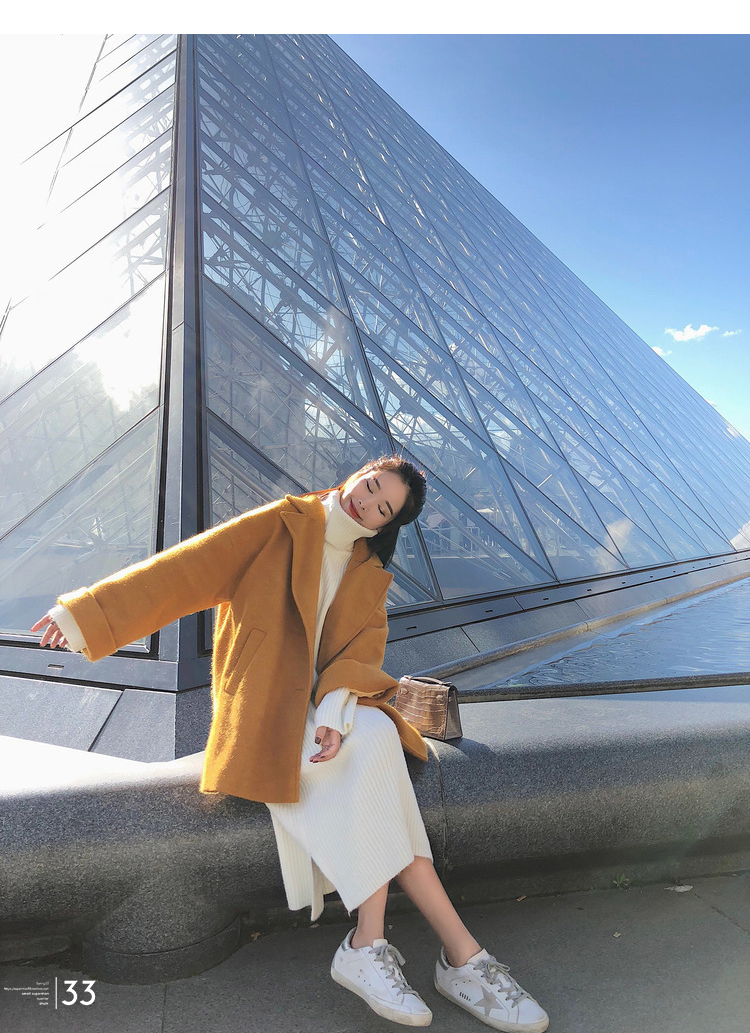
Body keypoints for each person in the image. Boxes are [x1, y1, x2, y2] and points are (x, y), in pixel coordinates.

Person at [32, 454, 549, 1032]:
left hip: (326, 704)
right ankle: (454, 958)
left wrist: (333, 708)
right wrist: (85, 615)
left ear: (387, 525)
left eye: (382, 507)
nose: (366, 502)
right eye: (370, 486)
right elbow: (186, 568)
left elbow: (361, 652)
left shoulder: (368, 568)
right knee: (377, 764)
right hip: (267, 702)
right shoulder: (282, 522)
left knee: (377, 735)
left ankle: (382, 946)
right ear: (357, 474)